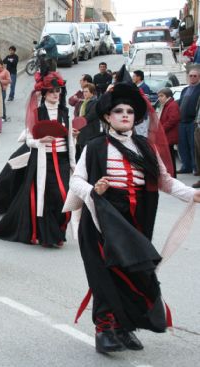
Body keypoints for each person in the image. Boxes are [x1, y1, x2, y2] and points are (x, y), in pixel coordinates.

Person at [64, 82, 200, 353]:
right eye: (118, 111)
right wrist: (94, 189)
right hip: (102, 217)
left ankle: (124, 327)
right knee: (106, 275)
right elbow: (76, 181)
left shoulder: (146, 147)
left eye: (129, 111)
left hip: (136, 220)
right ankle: (104, 330)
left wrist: (192, 194)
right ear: (107, 116)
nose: (125, 115)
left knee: (135, 275)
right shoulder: (94, 146)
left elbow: (164, 181)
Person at [0, 68, 74, 248]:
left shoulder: (65, 112)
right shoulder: (37, 113)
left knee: (63, 196)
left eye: (58, 91)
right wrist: (40, 141)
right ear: (44, 93)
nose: (55, 94)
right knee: (47, 196)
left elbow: (70, 140)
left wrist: (73, 164)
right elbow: (28, 139)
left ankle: (57, 231)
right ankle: (49, 236)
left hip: (63, 161)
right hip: (43, 160)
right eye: (51, 91)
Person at [177, 67, 200, 174]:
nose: (192, 77)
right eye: (190, 75)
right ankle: (186, 166)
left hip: (193, 122)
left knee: (193, 146)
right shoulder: (185, 89)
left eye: (195, 76)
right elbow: (180, 103)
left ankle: (196, 168)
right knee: (182, 145)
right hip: (182, 122)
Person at [75, 82, 103, 160]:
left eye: (86, 91)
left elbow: (89, 117)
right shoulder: (84, 102)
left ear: (92, 92)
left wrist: (77, 122)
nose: (84, 93)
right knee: (82, 155)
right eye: (83, 91)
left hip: (91, 133)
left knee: (88, 156)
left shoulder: (95, 102)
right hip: (82, 133)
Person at [157, 88, 180, 177]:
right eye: (159, 96)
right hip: (166, 135)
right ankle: (171, 174)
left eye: (161, 96)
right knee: (168, 156)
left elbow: (173, 120)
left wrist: (161, 129)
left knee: (169, 156)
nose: (159, 98)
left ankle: (172, 175)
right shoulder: (166, 105)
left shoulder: (172, 105)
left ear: (168, 96)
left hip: (169, 135)